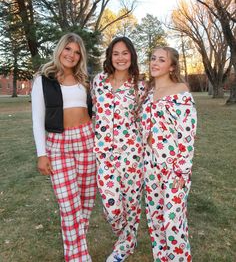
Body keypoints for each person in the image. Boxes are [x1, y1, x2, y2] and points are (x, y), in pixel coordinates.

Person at [31, 33, 96, 262]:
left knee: (86, 202)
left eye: (77, 52)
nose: (72, 55)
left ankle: (78, 248)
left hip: (87, 140)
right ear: (60, 50)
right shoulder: (43, 79)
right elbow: (37, 118)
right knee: (68, 206)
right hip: (59, 144)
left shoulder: (85, 80)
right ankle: (78, 258)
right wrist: (42, 154)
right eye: (68, 49)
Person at [92, 36, 146, 262]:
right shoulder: (98, 81)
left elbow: (145, 118)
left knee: (131, 204)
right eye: (116, 53)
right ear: (110, 57)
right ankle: (125, 236)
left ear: (132, 55)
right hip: (104, 154)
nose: (121, 57)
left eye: (125, 53)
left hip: (132, 154)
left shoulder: (140, 85)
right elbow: (94, 111)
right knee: (112, 207)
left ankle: (124, 245)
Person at [141, 46, 197, 262]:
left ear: (171, 66)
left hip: (174, 166)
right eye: (153, 58)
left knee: (173, 221)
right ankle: (162, 258)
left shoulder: (181, 91)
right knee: (155, 217)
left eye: (161, 60)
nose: (154, 62)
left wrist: (182, 171)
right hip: (150, 163)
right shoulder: (148, 92)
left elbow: (187, 134)